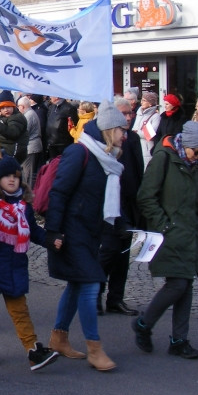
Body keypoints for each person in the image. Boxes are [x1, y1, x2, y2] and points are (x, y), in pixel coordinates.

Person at [133, 122, 198, 359]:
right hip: (167, 234)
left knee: (185, 285)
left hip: (187, 234)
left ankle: (179, 340)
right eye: (196, 151)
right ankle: (144, 324)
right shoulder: (163, 159)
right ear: (185, 145)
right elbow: (146, 197)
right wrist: (164, 225)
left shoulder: (195, 165)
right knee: (177, 285)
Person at [43, 102, 126, 372]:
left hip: (90, 231)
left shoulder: (107, 158)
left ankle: (59, 337)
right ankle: (95, 348)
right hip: (70, 231)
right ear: (109, 130)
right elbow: (59, 192)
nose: (125, 135)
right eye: (121, 130)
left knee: (77, 285)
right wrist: (53, 231)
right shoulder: (79, 152)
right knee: (91, 285)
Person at [0, 156, 59, 372]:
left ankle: (33, 350)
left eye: (16, 177)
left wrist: (48, 239)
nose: (12, 180)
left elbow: (33, 230)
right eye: (7, 176)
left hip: (14, 266)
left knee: (20, 311)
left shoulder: (23, 206)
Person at [97, 98, 145, 316]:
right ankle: (95, 295)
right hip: (109, 206)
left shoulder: (132, 139)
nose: (128, 117)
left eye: (130, 113)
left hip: (127, 203)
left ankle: (116, 298)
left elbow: (137, 171)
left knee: (123, 256)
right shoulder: (102, 142)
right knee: (107, 253)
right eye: (124, 113)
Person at [0, 90, 28, 161]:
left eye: (8, 107)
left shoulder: (17, 118)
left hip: (14, 151)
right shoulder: (2, 118)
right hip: (5, 149)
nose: (6, 110)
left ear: (13, 107)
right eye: (3, 108)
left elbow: (13, 132)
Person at [17, 95, 43, 188]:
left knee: (28, 174)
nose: (18, 109)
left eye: (18, 107)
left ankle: (28, 194)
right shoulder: (31, 113)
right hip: (32, 146)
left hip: (31, 148)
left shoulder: (28, 115)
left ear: (22, 107)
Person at [44, 95, 77, 159]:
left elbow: (74, 124)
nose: (50, 97)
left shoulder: (69, 108)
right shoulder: (52, 107)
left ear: (57, 97)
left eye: (51, 95)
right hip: (51, 143)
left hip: (63, 144)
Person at [133, 91, 161, 167]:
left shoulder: (156, 116)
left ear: (150, 103)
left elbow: (151, 134)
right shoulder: (139, 114)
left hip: (147, 148)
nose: (141, 102)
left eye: (144, 100)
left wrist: (137, 132)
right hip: (136, 145)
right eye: (141, 100)